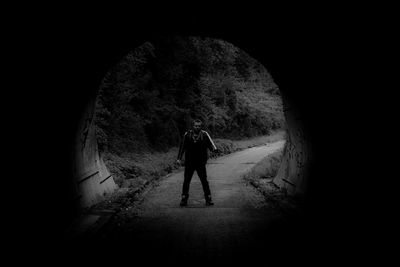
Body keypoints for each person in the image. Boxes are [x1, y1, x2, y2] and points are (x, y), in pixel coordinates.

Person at [176, 119, 218, 206]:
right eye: (196, 126)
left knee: (204, 181)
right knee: (186, 181)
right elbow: (182, 147)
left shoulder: (204, 134)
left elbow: (212, 145)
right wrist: (179, 158)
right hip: (189, 162)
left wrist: (215, 151)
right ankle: (184, 199)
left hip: (200, 162)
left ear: (201, 126)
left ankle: (208, 199)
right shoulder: (187, 135)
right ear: (193, 126)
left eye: (199, 126)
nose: (197, 127)